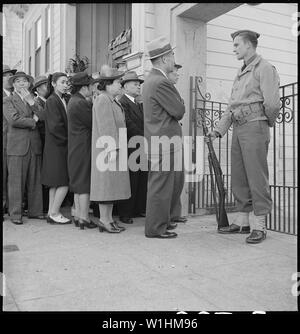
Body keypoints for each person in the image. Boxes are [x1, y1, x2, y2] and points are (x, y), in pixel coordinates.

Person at [207, 30, 280, 244]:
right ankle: (242, 222)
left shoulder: (264, 68)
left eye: (237, 45)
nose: (234, 49)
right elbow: (232, 106)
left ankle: (259, 226)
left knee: (256, 177)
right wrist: (218, 130)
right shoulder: (240, 73)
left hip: (255, 126)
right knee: (239, 176)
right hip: (238, 128)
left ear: (249, 45)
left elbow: (273, 103)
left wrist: (266, 122)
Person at [142, 36, 185, 239]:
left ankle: (162, 223)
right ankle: (155, 228)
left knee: (163, 185)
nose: (173, 59)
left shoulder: (151, 80)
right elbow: (178, 110)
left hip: (158, 141)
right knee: (160, 187)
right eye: (172, 55)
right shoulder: (161, 82)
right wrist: (180, 99)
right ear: (165, 58)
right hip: (164, 142)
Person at [90, 65, 130, 233]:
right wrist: (111, 149)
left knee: (112, 186)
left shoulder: (111, 100)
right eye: (117, 82)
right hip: (108, 150)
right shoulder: (103, 100)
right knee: (106, 186)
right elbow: (106, 126)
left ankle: (108, 219)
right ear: (107, 84)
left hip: (114, 149)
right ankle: (104, 220)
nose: (120, 85)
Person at [3, 71, 44, 224]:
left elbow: (43, 116)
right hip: (16, 146)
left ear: (29, 84)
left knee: (35, 179)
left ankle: (35, 211)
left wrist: (32, 103)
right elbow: (14, 120)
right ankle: (15, 214)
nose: (21, 83)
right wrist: (33, 121)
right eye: (18, 81)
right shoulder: (7, 101)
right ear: (13, 85)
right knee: (15, 181)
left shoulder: (34, 100)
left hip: (34, 145)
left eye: (24, 81)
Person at [116, 71, 148, 224]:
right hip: (131, 145)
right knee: (130, 180)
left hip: (140, 144)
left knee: (141, 178)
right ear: (125, 86)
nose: (138, 87)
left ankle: (137, 209)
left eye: (139, 84)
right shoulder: (122, 102)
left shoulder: (137, 102)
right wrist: (143, 136)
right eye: (135, 84)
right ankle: (125, 212)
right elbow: (128, 123)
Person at [67, 72, 97, 230]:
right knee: (84, 183)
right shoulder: (81, 103)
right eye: (91, 86)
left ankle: (79, 216)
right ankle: (84, 217)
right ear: (84, 87)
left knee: (78, 183)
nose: (93, 89)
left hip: (75, 146)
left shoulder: (73, 101)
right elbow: (93, 123)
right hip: (83, 146)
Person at [41, 72, 71, 225]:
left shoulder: (60, 99)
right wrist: (68, 141)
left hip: (57, 146)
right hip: (58, 146)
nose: (66, 85)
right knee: (64, 182)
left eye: (67, 82)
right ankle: (54, 212)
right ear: (53, 84)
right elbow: (55, 127)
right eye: (62, 82)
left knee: (56, 182)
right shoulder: (53, 100)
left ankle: (51, 213)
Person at [166, 63, 188, 224]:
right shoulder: (166, 90)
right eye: (175, 72)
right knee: (170, 180)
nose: (178, 75)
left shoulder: (174, 90)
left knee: (178, 179)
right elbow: (179, 110)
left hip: (176, 138)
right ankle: (168, 214)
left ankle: (175, 213)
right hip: (168, 139)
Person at [31, 75, 49, 213]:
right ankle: (44, 205)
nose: (48, 87)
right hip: (42, 142)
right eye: (45, 85)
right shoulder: (36, 102)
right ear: (38, 89)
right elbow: (40, 123)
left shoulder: (50, 101)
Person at [2, 65, 17, 215]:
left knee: (11, 176)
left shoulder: (16, 95)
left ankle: (9, 206)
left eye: (9, 75)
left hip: (14, 142)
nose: (8, 78)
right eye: (5, 75)